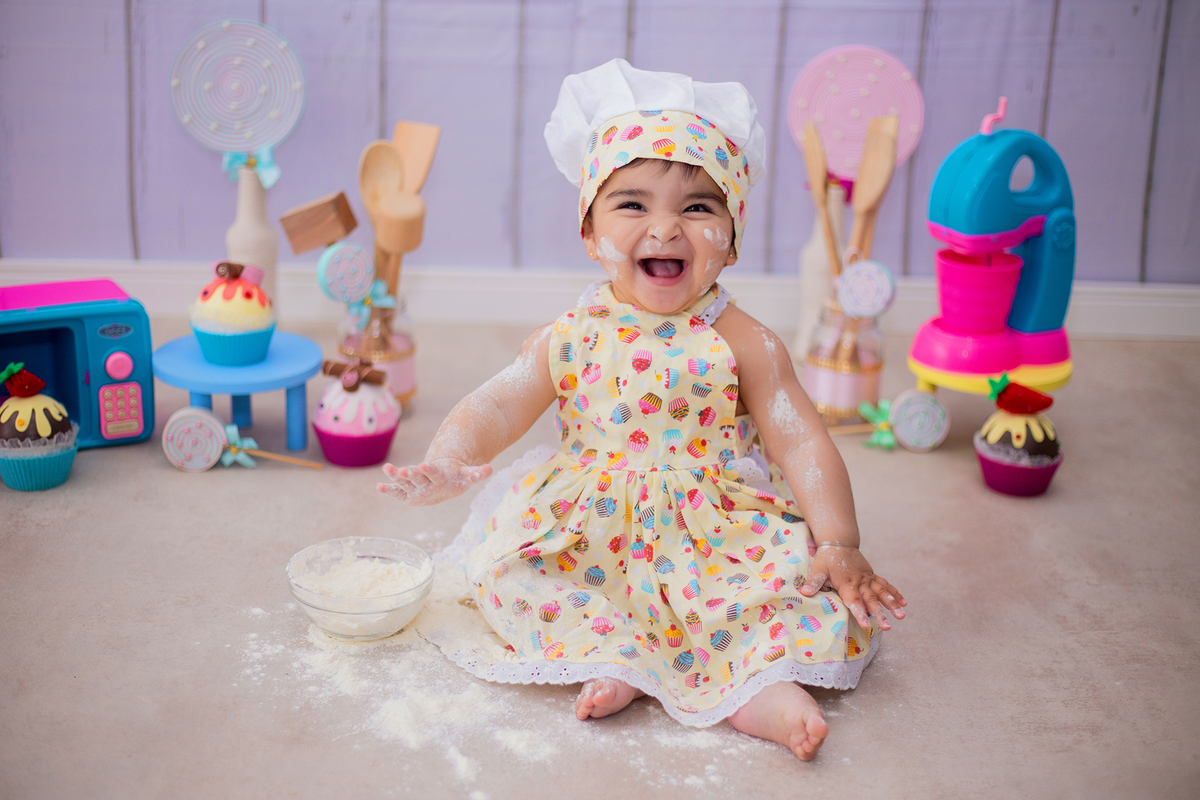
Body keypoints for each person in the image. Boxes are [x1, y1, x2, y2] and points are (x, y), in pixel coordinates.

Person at [378, 59, 905, 761]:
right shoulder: (573, 332)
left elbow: (801, 440)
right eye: (632, 204)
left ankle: (760, 691)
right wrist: (449, 456)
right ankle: (614, 656)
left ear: (732, 238)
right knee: (509, 571)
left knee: (793, 583)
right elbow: (501, 401)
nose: (664, 228)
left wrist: (838, 539)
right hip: (592, 525)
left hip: (714, 526)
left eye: (696, 207)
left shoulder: (744, 340)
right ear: (591, 236)